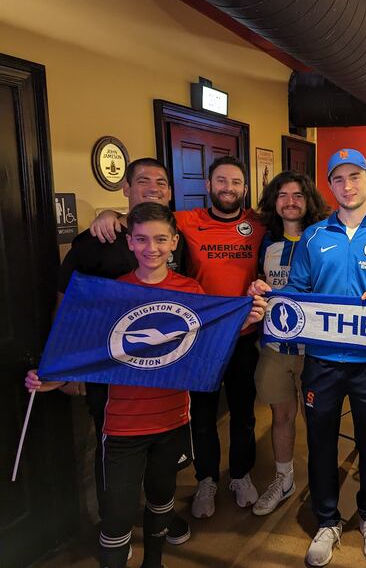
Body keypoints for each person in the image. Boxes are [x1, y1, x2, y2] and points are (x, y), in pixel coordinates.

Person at [26, 202, 263, 568]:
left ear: (173, 243)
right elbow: (88, 350)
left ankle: (155, 562)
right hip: (122, 424)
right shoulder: (114, 294)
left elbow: (209, 342)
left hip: (171, 422)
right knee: (118, 516)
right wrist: (52, 379)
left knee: (161, 500)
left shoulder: (190, 290)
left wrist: (243, 314)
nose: (151, 247)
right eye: (141, 239)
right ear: (131, 244)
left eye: (160, 239)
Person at [250, 148, 366, 566]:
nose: (347, 186)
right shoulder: (315, 237)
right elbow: (298, 290)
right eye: (338, 179)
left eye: (355, 177)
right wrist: (270, 296)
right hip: (321, 360)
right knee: (319, 442)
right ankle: (327, 520)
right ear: (331, 186)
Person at [90, 155, 267, 518]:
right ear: (208, 186)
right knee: (201, 414)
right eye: (221, 181)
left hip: (244, 334)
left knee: (244, 413)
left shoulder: (259, 224)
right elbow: (141, 216)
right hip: (199, 340)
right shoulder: (186, 221)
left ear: (245, 189)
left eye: (235, 182)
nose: (228, 188)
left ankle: (240, 475)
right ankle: (206, 480)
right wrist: (108, 214)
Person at [57, 157, 191, 546]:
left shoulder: (173, 232)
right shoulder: (96, 239)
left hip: (162, 372)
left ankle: (158, 517)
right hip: (110, 376)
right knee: (114, 452)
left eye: (162, 182)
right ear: (125, 188)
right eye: (144, 180)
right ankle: (115, 524)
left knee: (162, 454)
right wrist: (69, 368)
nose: (154, 187)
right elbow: (67, 305)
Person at [250, 170, 331, 516]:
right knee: (281, 414)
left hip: (316, 348)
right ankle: (283, 479)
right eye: (283, 195)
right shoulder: (262, 239)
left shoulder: (324, 238)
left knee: (318, 419)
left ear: (308, 200)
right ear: (274, 201)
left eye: (298, 195)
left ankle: (322, 485)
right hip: (274, 346)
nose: (290, 202)